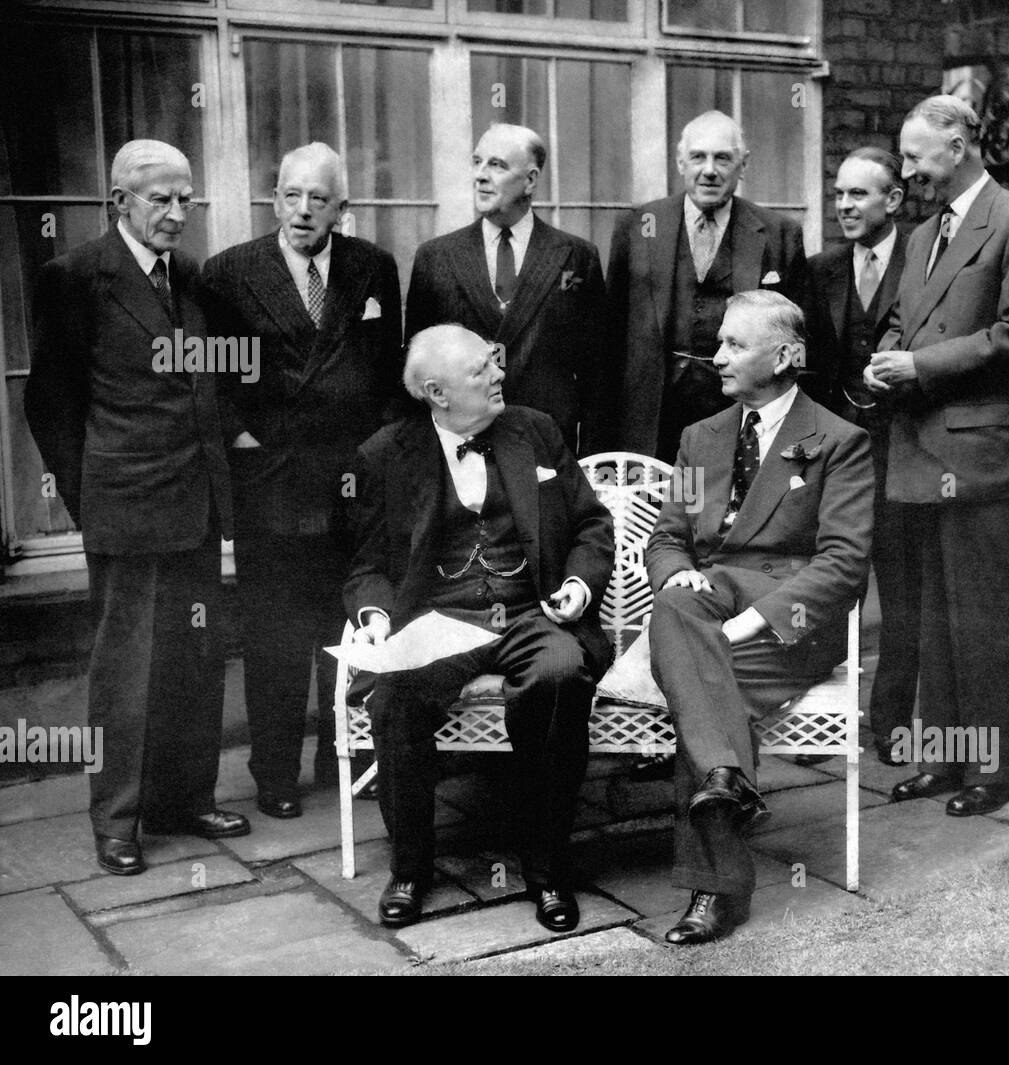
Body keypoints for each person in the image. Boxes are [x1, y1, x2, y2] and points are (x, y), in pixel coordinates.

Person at [344, 324, 615, 931]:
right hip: (439, 619)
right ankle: (411, 869)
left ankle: (546, 869)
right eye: (480, 371)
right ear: (437, 394)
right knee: (395, 694)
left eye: (495, 362)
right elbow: (367, 566)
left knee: (560, 673)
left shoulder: (536, 431)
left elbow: (592, 526)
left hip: (531, 610)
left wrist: (577, 585)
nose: (498, 375)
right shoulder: (386, 454)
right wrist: (379, 619)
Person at [25, 139, 247, 876]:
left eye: (187, 199)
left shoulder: (187, 275)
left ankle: (186, 798)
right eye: (162, 199)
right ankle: (116, 820)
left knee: (194, 656)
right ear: (119, 201)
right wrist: (91, 501)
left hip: (193, 504)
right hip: (125, 509)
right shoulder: (75, 276)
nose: (178, 214)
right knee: (125, 671)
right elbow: (50, 401)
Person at [646, 291, 873, 944]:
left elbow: (842, 563)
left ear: (785, 356)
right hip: (707, 603)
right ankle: (729, 781)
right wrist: (674, 571)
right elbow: (666, 537)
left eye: (733, 344)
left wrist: (750, 624)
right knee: (677, 606)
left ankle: (715, 887)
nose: (714, 355)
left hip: (790, 619)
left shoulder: (837, 441)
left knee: (697, 678)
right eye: (718, 342)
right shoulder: (701, 438)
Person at [201, 142, 403, 817]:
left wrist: (376, 454)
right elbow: (211, 378)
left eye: (319, 198)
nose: (303, 210)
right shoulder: (229, 273)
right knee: (276, 633)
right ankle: (276, 773)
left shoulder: (373, 268)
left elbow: (388, 377)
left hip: (351, 479)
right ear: (274, 199)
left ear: (341, 208)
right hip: (273, 479)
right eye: (291, 195)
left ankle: (349, 756)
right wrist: (242, 438)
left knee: (351, 622)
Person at [869, 95, 1009, 817]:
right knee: (934, 619)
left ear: (960, 143)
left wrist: (917, 366)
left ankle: (991, 770)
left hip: (981, 453)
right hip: (919, 448)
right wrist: (885, 356)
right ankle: (942, 759)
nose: (905, 169)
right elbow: (896, 320)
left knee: (987, 619)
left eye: (915, 155)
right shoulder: (919, 237)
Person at [804, 147, 917, 766]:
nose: (844, 206)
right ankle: (817, 723)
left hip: (907, 451)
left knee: (901, 592)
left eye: (859, 195)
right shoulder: (818, 270)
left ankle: (893, 724)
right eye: (839, 194)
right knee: (828, 586)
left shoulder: (924, 261)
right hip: (836, 457)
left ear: (893, 200)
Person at [608, 110, 808, 462]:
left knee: (728, 507)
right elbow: (607, 338)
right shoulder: (638, 225)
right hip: (653, 413)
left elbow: (802, 344)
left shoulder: (779, 234)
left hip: (740, 407)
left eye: (723, 158)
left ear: (743, 165)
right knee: (659, 510)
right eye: (698, 157)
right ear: (680, 161)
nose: (710, 170)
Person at [404, 123, 611, 456]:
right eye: (477, 162)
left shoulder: (576, 256)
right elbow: (417, 370)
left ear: (530, 179)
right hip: (462, 447)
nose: (480, 175)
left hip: (545, 447)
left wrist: (590, 462)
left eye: (497, 165)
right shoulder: (436, 257)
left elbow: (598, 374)